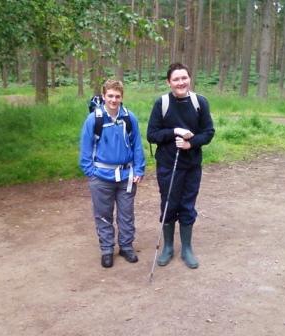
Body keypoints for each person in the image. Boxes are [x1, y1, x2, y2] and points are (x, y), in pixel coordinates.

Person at [147, 63, 215, 269]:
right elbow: (152, 134)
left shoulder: (199, 102)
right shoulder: (162, 103)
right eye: (176, 79)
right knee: (169, 203)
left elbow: (208, 132)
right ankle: (168, 247)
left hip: (192, 165)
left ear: (189, 79)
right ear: (169, 82)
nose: (180, 82)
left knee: (187, 205)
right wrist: (174, 131)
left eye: (184, 78)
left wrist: (190, 143)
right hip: (168, 165)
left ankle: (186, 248)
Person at [80, 79, 145, 268]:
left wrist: (139, 169)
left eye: (117, 96)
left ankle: (126, 246)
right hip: (101, 176)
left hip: (126, 176)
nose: (114, 100)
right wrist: (90, 172)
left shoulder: (129, 118)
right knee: (103, 214)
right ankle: (107, 249)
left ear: (122, 97)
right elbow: (85, 148)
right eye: (110, 96)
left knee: (126, 214)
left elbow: (137, 146)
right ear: (103, 96)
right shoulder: (94, 119)